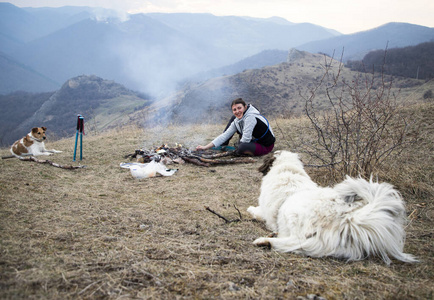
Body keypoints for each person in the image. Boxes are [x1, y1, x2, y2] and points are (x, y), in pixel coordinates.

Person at [196, 98, 275, 156]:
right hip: (254, 143)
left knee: (242, 147)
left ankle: (240, 151)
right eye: (234, 110)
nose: (237, 111)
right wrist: (205, 147)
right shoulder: (237, 121)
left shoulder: (251, 117)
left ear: (245, 107)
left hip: (265, 146)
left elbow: (246, 139)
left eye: (239, 108)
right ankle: (235, 149)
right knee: (241, 146)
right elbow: (225, 135)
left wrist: (238, 149)